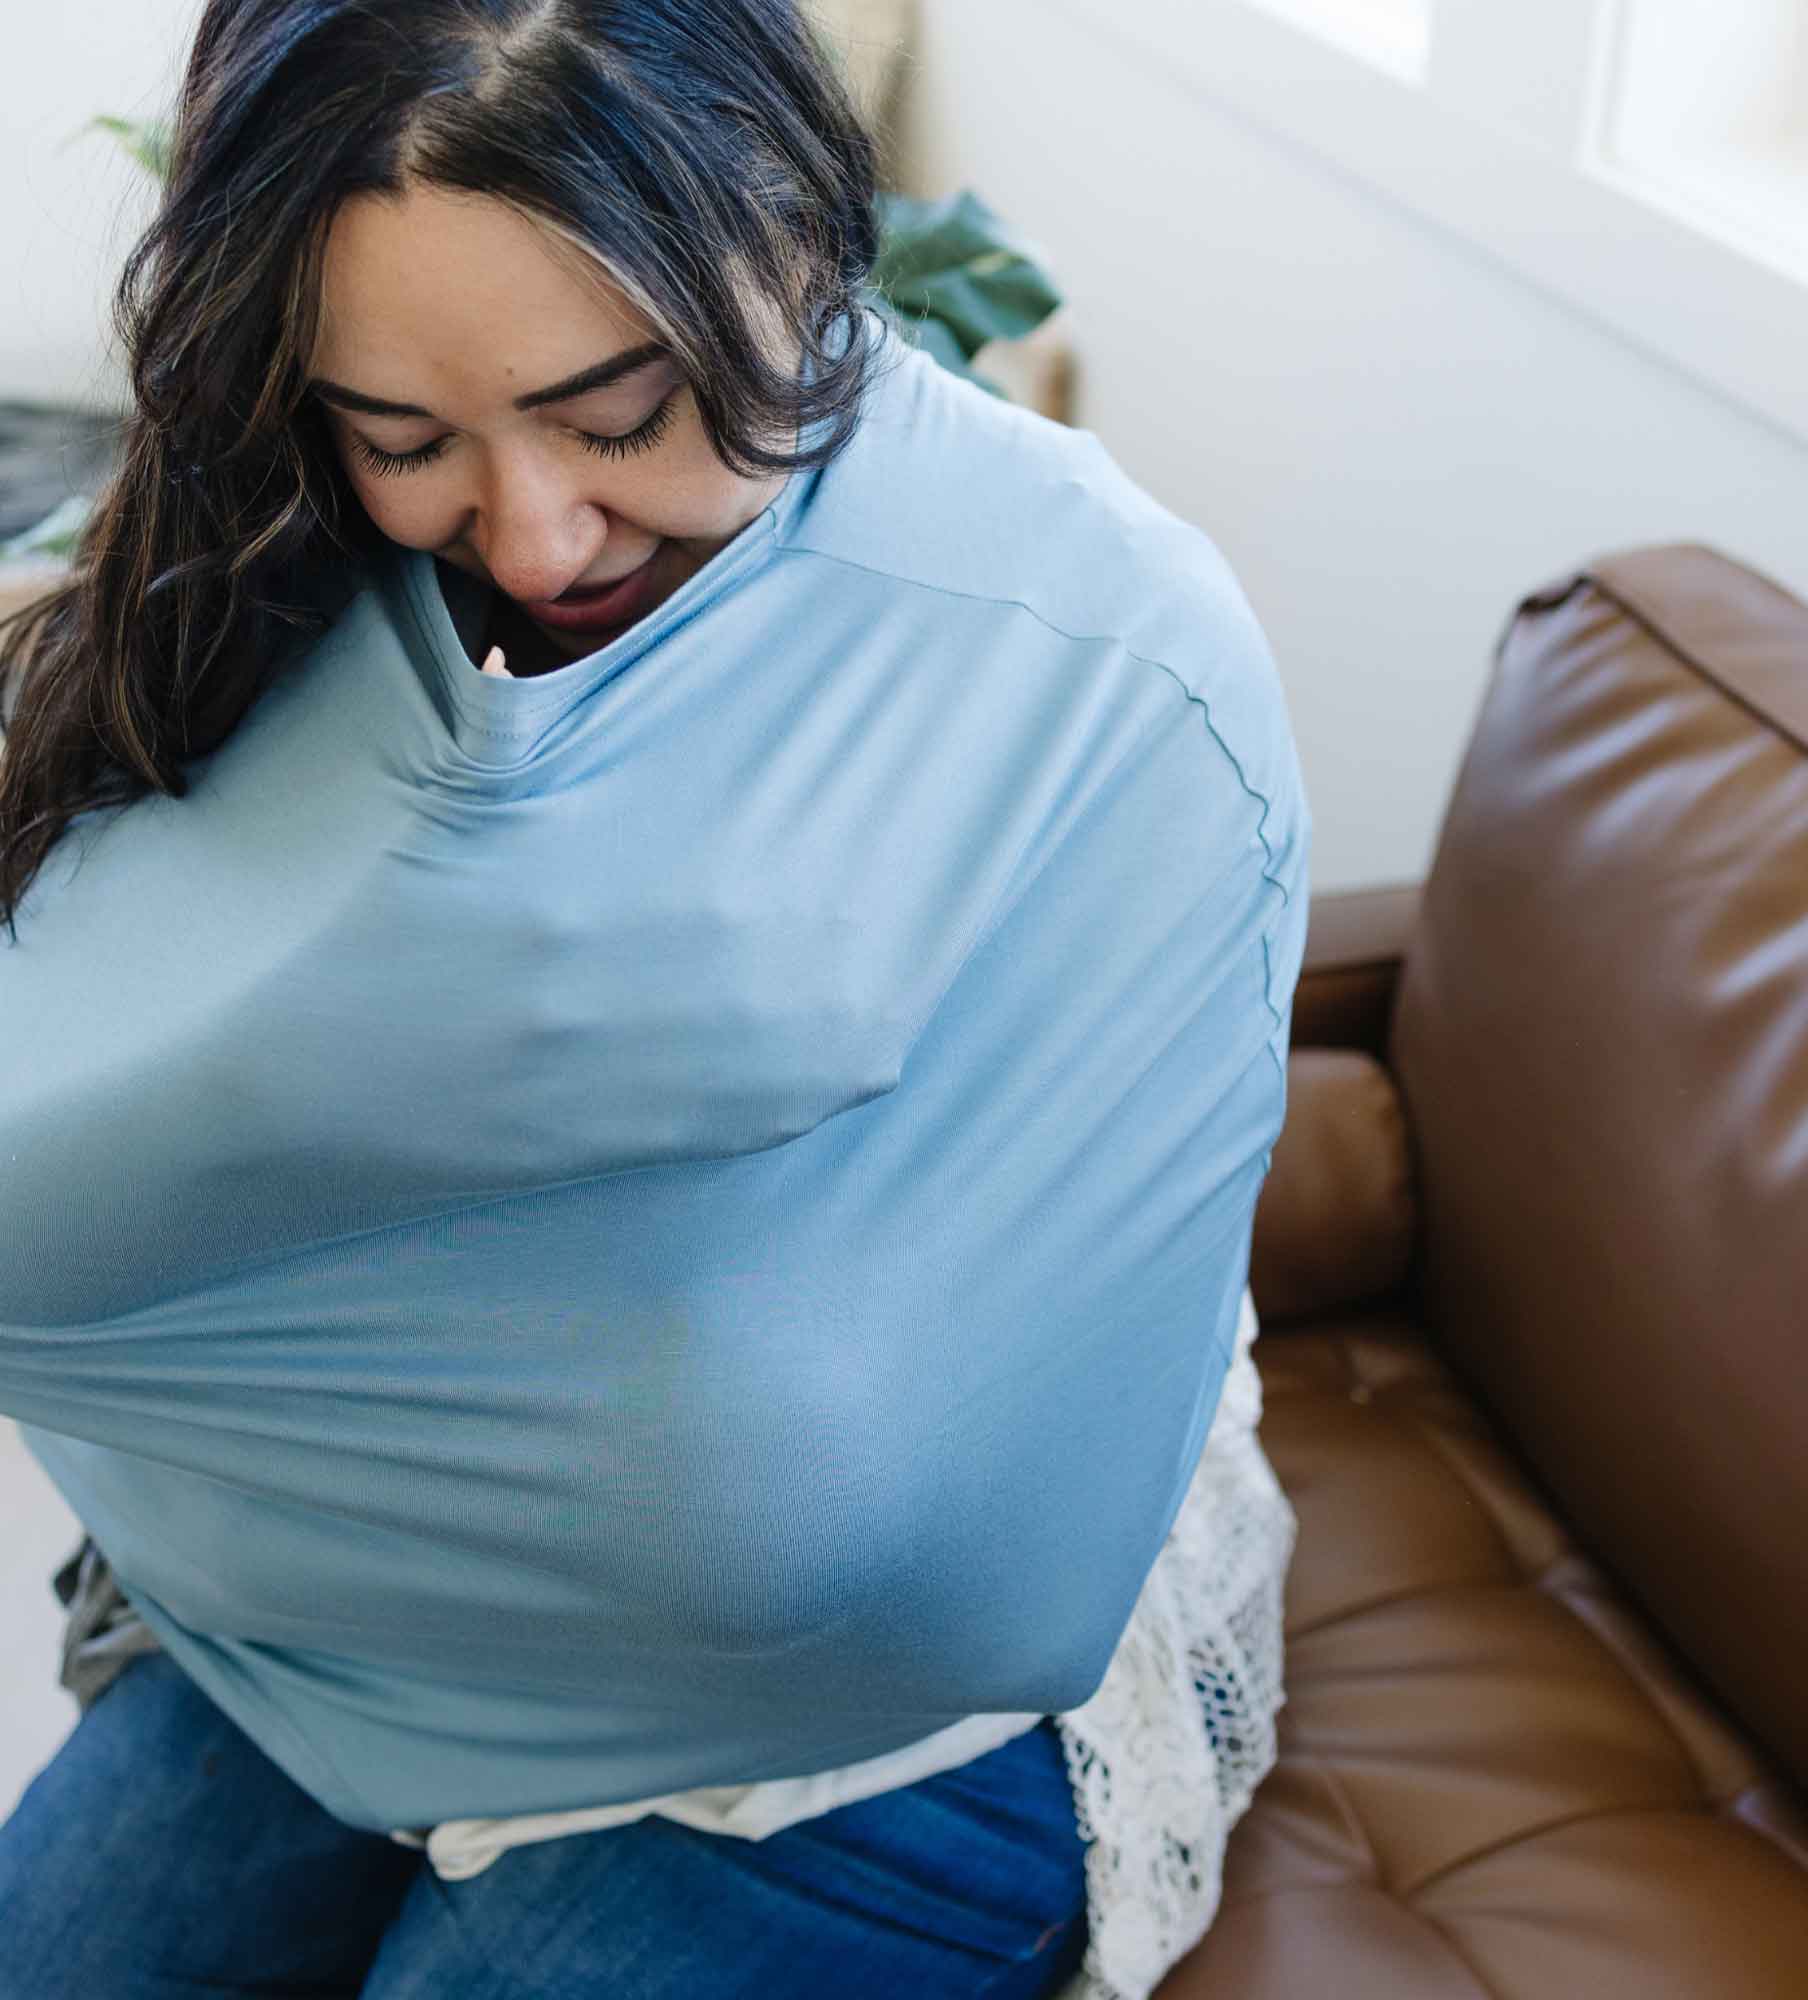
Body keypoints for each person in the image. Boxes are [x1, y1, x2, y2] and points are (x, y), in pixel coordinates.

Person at [0, 4, 1311, 1998]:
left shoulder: (1102, 670)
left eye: (617, 415)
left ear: (794, 234)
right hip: (331, 1629)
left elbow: (916, 1530)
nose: (533, 532)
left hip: (849, 1741)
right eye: (407, 438)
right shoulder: (282, 575)